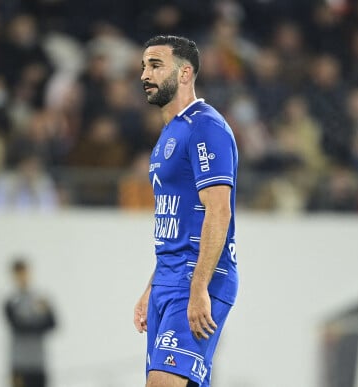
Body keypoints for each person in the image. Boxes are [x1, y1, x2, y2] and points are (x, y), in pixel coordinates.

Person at [133, 35, 239, 387]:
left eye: (156, 65)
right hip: (169, 279)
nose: (145, 74)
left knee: (162, 383)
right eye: (144, 66)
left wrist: (199, 288)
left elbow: (218, 211)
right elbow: (175, 222)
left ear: (185, 73)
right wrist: (152, 285)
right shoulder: (169, 134)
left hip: (198, 279)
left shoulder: (205, 127)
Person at [4, 257, 57, 387]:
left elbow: (52, 323)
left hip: (38, 363)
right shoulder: (11, 302)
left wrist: (38, 320)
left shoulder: (40, 298)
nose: (23, 277)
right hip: (20, 364)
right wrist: (37, 322)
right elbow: (17, 327)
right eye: (19, 274)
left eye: (25, 273)